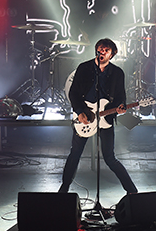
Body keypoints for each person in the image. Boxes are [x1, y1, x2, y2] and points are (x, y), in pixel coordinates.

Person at [59, 38, 138, 194]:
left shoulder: (117, 73)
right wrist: (80, 111)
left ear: (112, 54)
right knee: (75, 154)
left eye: (106, 50)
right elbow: (73, 92)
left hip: (106, 119)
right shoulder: (84, 68)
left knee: (110, 158)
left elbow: (121, 96)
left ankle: (132, 191)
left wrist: (121, 107)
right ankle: (64, 189)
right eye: (100, 49)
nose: (102, 52)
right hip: (85, 115)